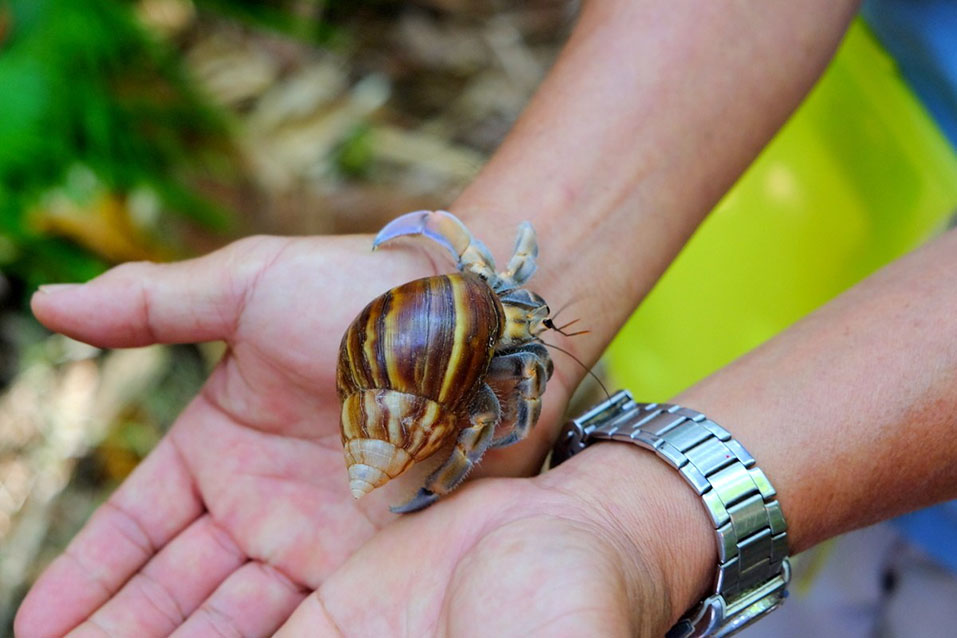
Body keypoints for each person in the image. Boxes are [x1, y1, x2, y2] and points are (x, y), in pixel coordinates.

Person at [14, 0, 957, 636]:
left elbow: (506, 347)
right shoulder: (490, 345)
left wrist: (637, 531)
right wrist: (636, 522)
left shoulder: (493, 359)